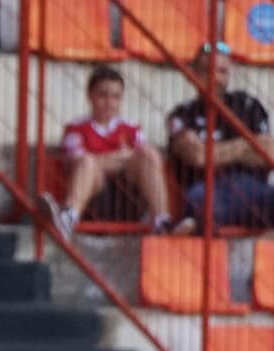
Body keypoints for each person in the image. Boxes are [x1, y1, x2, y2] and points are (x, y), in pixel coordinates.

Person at [166, 43, 274, 239]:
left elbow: (268, 153)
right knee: (200, 205)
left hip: (254, 190)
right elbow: (197, 156)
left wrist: (213, 152)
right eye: (206, 70)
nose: (215, 78)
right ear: (193, 73)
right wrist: (247, 147)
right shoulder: (182, 113)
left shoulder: (247, 104)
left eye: (222, 72)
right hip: (209, 190)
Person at [41, 65, 188, 240]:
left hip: (129, 199)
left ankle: (162, 220)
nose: (109, 102)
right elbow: (75, 162)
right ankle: (68, 216)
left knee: (149, 155)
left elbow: (143, 160)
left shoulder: (132, 128)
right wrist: (121, 157)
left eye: (115, 97)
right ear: (90, 95)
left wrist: (104, 161)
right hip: (94, 199)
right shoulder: (76, 128)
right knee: (87, 164)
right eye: (103, 95)